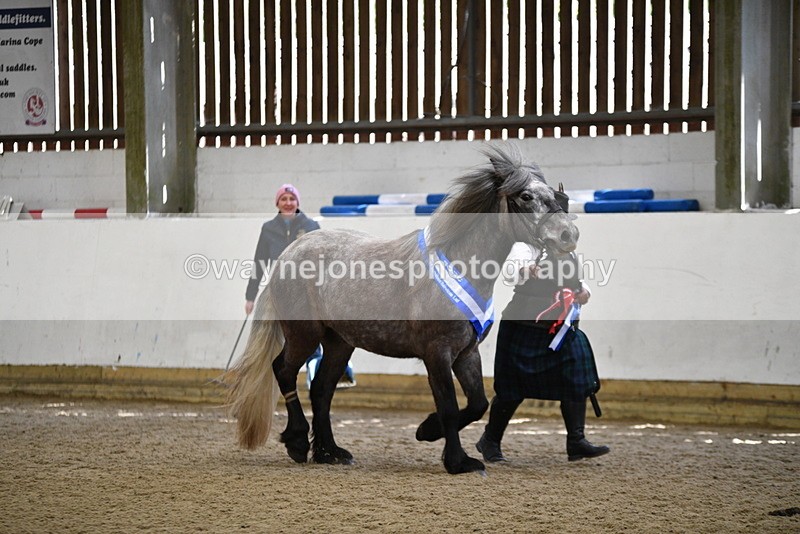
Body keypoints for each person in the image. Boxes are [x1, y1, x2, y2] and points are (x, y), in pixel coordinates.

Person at [476, 190, 609, 462]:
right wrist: (525, 271)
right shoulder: (526, 247)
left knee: (575, 378)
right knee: (512, 389)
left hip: (562, 329)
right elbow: (511, 272)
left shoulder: (568, 252)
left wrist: (585, 293)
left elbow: (578, 283)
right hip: (524, 325)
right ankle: (490, 439)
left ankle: (576, 440)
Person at [245, 184, 355, 389]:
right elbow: (259, 262)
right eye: (284, 199)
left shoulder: (311, 225)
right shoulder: (268, 228)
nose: (288, 203)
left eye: (292, 199)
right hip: (280, 289)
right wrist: (250, 296)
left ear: (298, 202)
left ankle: (333, 366)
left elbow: (327, 260)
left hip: (308, 289)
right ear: (277, 202)